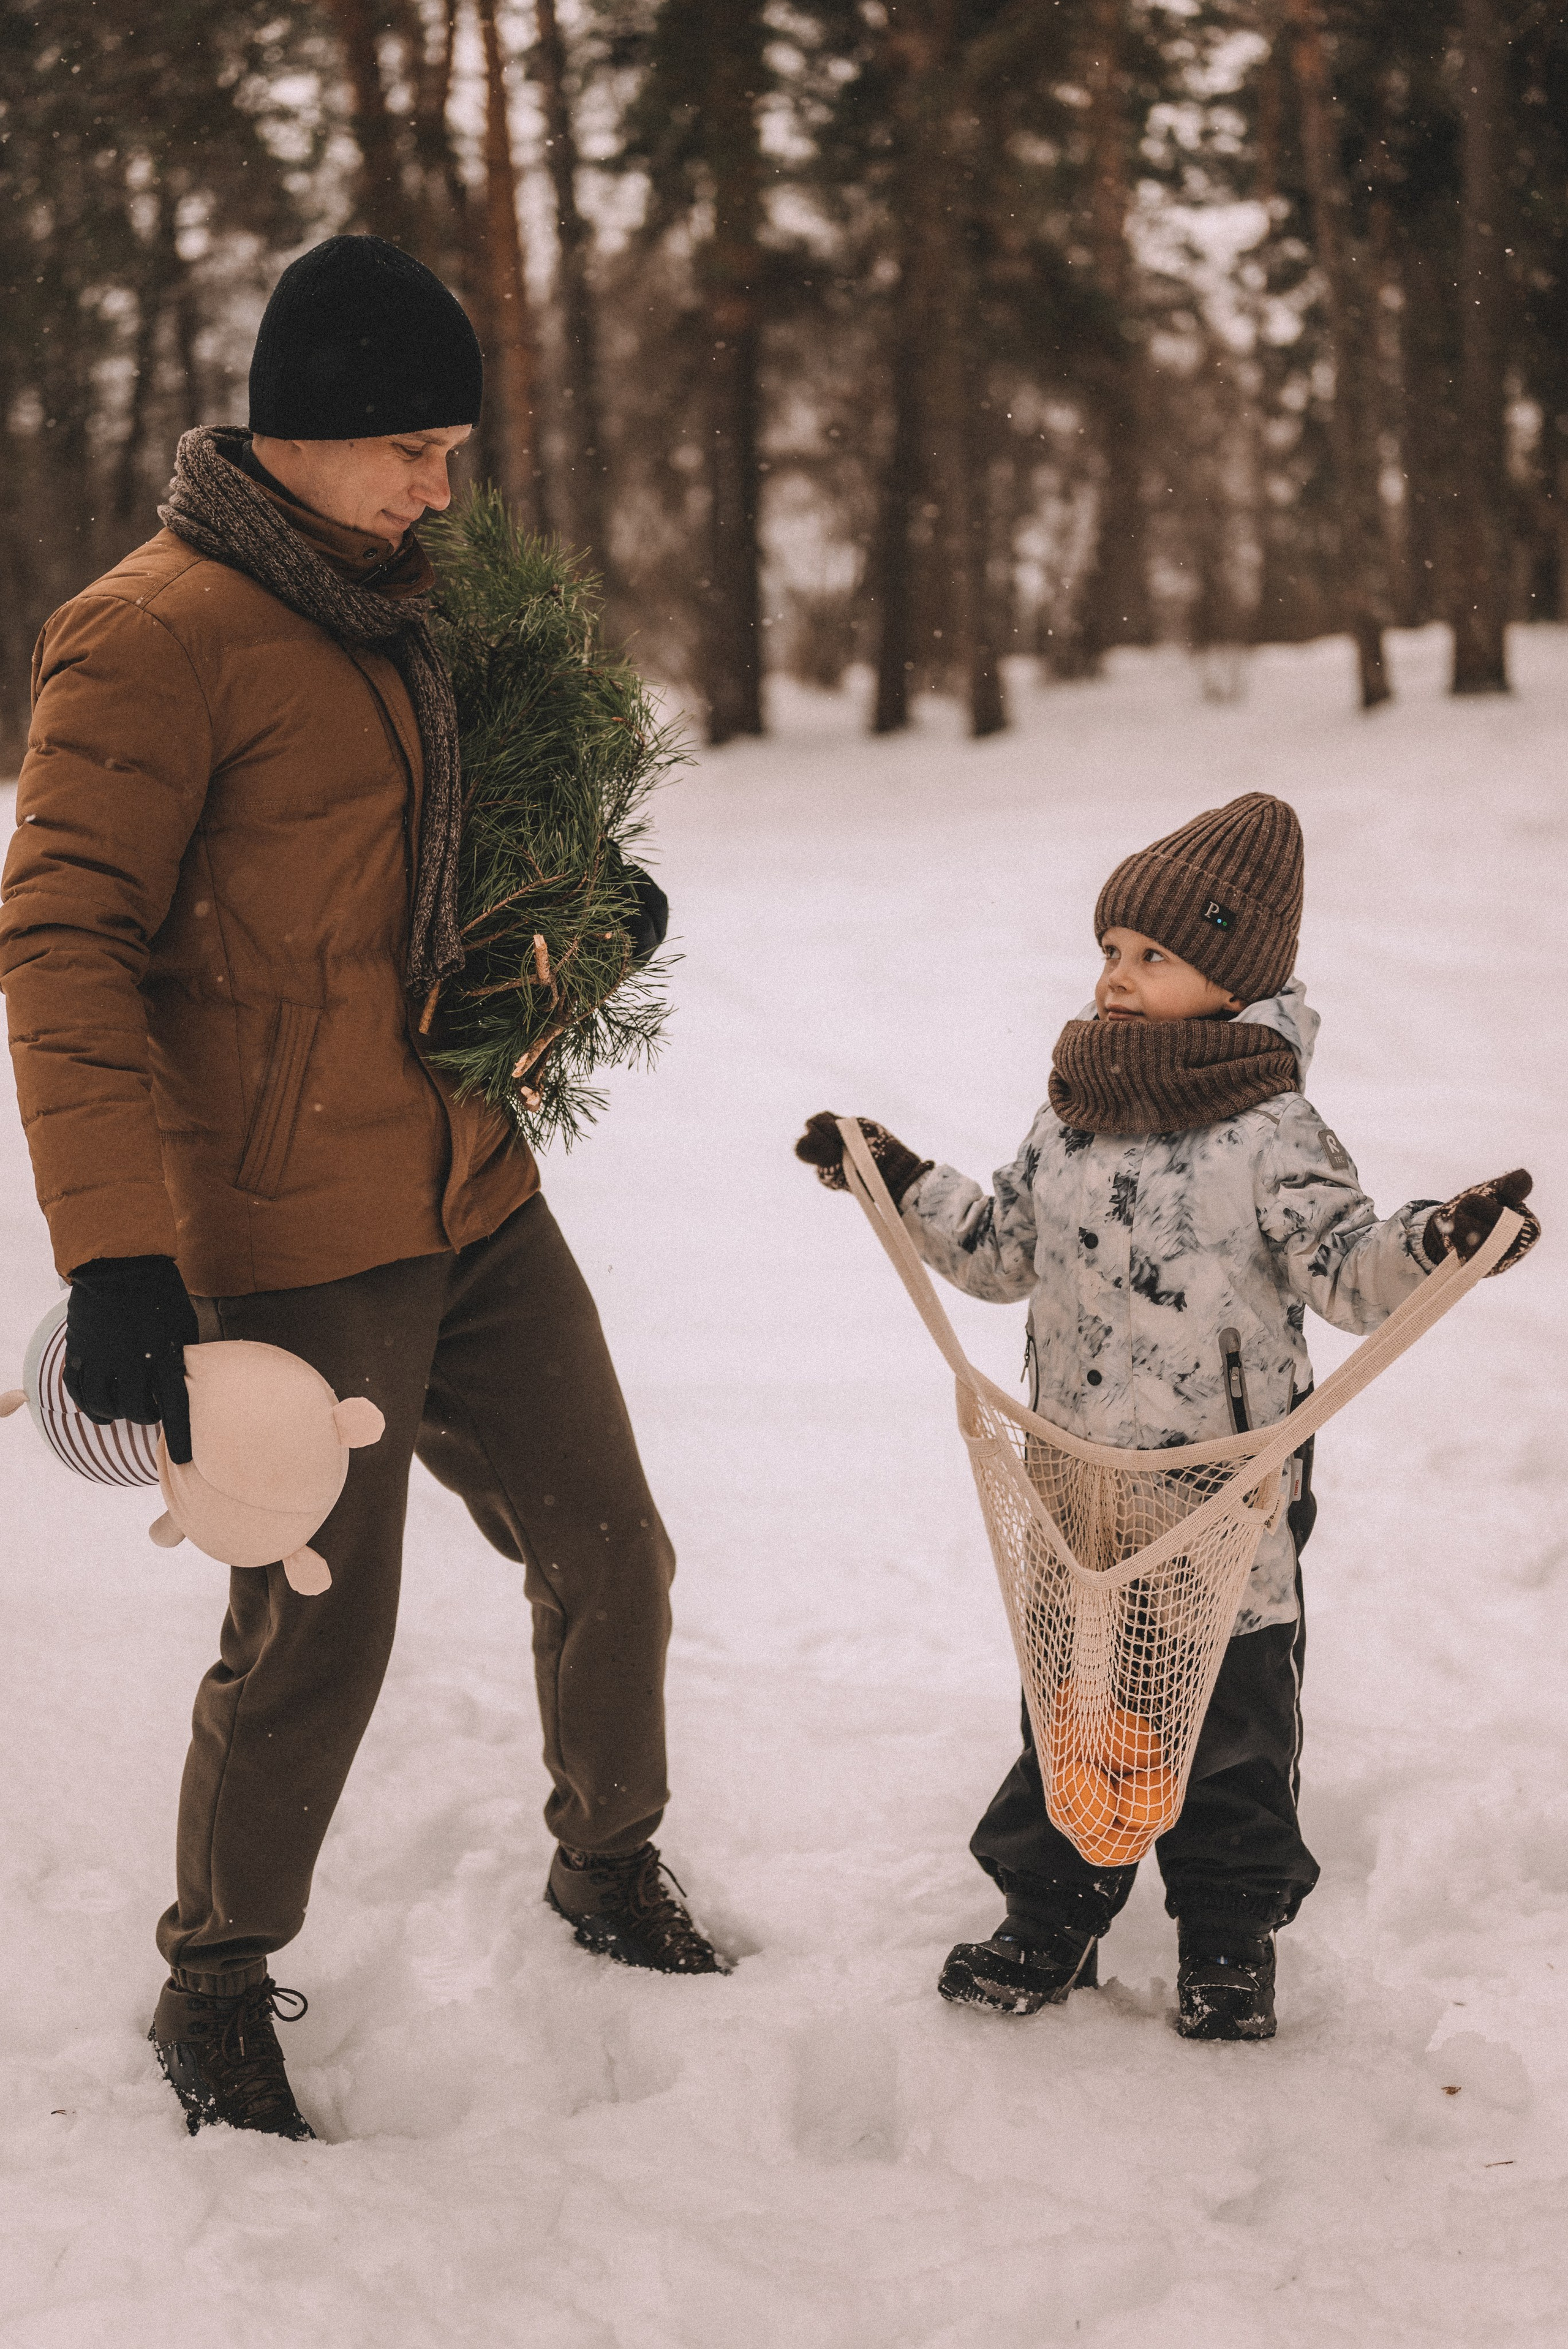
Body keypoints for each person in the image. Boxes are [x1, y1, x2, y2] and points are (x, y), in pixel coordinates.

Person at [0, 235, 723, 2146]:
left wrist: (579, 922)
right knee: (318, 1631)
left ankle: (608, 1856)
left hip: (472, 1185)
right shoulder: (147, 633)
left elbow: (443, 866)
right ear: (300, 432)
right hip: (290, 1233)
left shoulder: (398, 609)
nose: (440, 484)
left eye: (452, 447)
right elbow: (61, 942)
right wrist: (124, 1259)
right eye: (411, 444)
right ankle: (217, 1981)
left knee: (610, 1551)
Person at [795, 792, 1537, 2042]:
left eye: (1154, 957)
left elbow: (1346, 1272)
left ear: (1231, 979)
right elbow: (997, 1253)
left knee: (1230, 1717)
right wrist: (899, 1176)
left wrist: (1440, 1239)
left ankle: (1227, 1937)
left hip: (1222, 1497)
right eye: (1110, 951)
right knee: (1073, 1704)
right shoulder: (1070, 1107)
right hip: (1077, 1483)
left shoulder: (1271, 1130)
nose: (1118, 979)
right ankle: (1051, 1912)